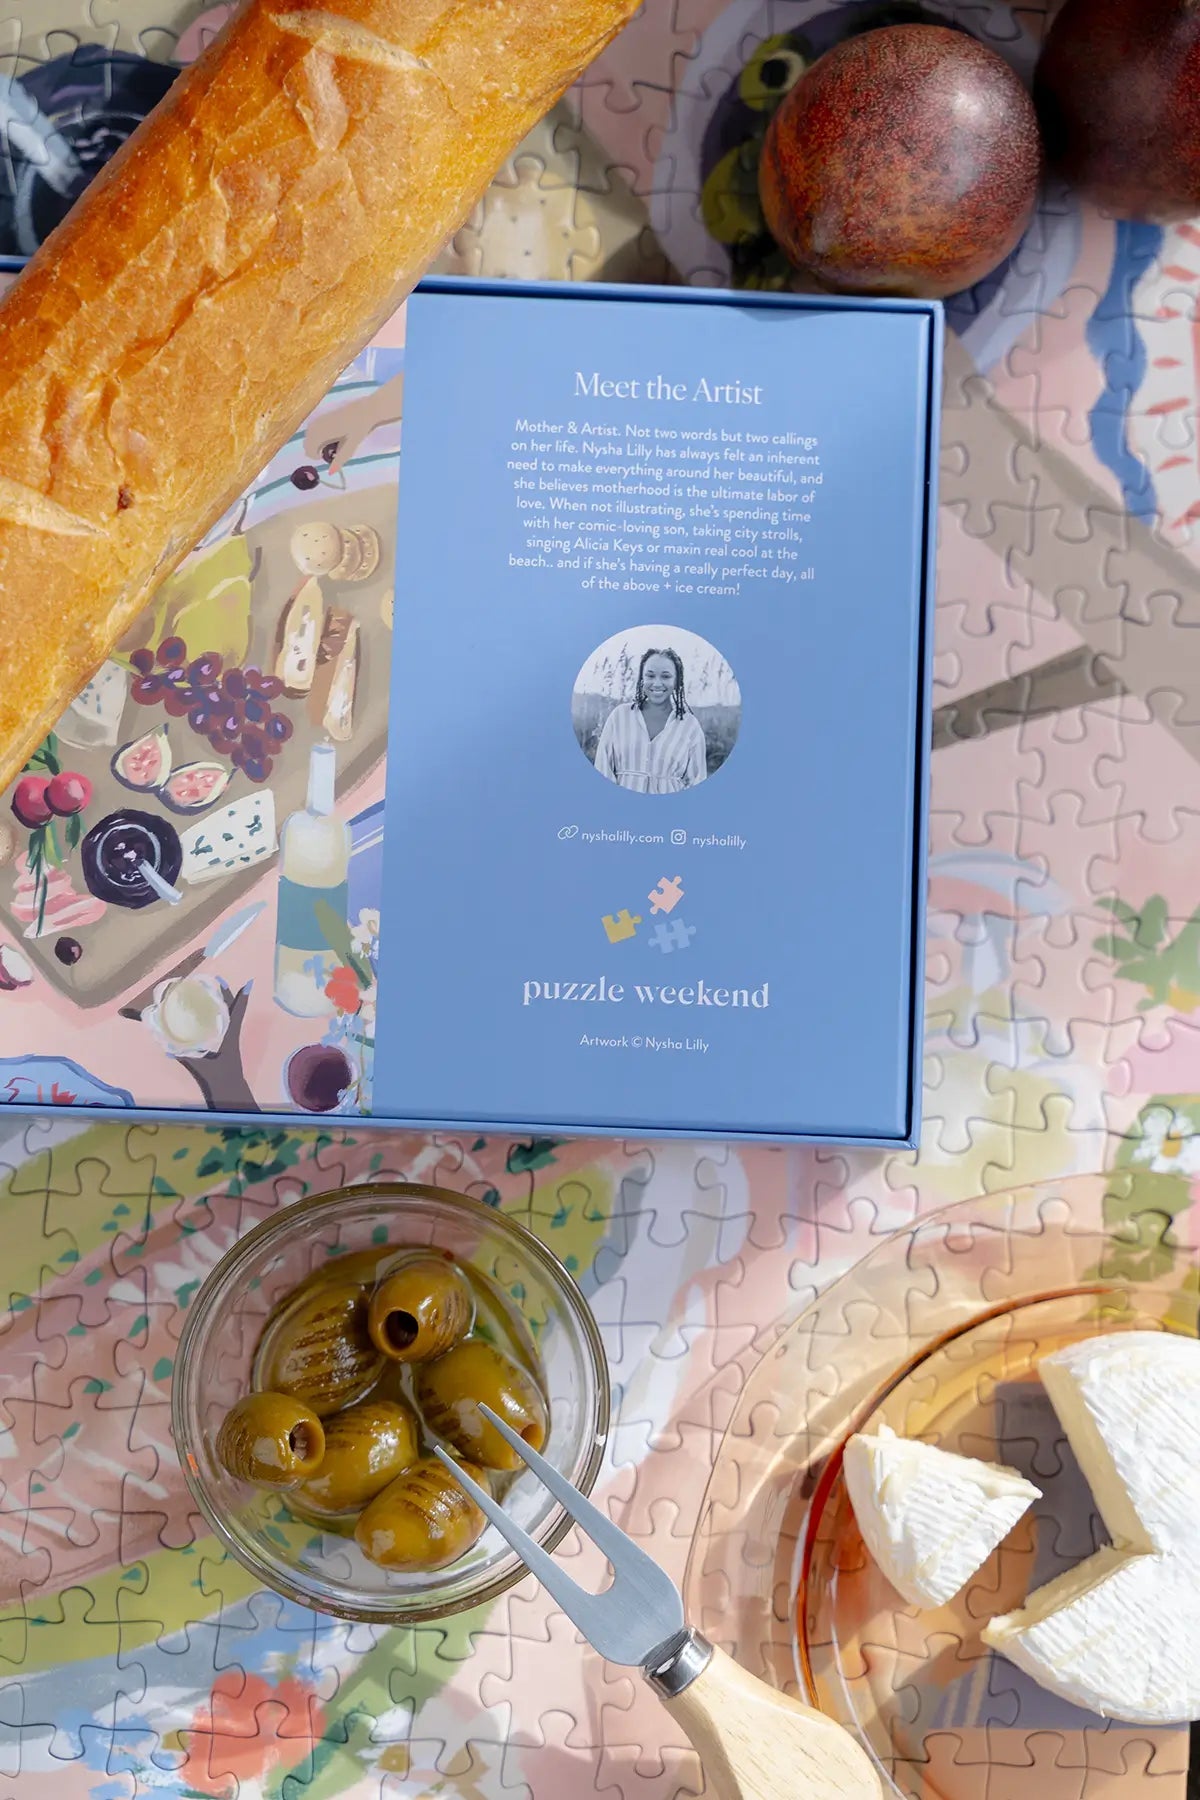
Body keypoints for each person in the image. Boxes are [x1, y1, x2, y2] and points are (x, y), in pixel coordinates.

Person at [592, 648, 709, 794]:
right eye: (650, 675)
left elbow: (697, 781)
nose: (657, 683)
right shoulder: (619, 717)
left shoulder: (690, 726)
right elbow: (603, 769)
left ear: (677, 681)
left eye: (666, 676)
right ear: (642, 679)